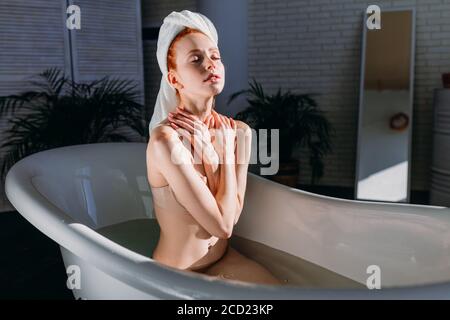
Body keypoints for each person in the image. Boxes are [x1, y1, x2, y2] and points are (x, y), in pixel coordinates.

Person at [146, 10, 281, 285]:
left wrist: (214, 154)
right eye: (196, 59)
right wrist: (218, 153)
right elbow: (221, 226)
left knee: (286, 294)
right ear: (174, 80)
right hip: (176, 275)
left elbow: (231, 215)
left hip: (223, 259)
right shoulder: (165, 141)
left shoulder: (239, 132)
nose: (210, 64)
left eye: (215, 57)